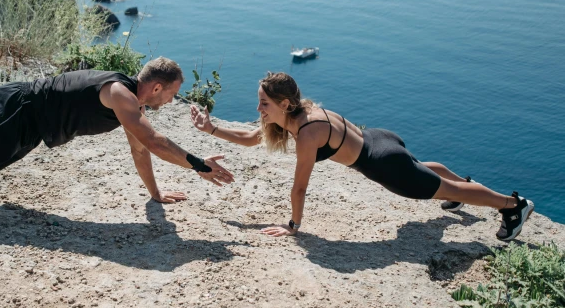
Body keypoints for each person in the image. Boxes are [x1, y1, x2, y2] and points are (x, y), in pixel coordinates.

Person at [190, 72, 533, 241]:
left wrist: (293, 226)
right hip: (380, 139)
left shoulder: (307, 133)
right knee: (424, 170)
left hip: (383, 163)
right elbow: (252, 137)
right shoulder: (303, 113)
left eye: (263, 103)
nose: (258, 108)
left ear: (283, 104)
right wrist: (211, 129)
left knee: (443, 189)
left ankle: (512, 205)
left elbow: (299, 188)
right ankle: (463, 186)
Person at [0, 57, 234, 202]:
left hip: (21, 114)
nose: (171, 101)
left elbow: (140, 148)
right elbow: (153, 140)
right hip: (16, 112)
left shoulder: (128, 100)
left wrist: (156, 193)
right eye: (172, 94)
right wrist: (200, 165)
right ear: (155, 87)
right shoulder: (122, 95)